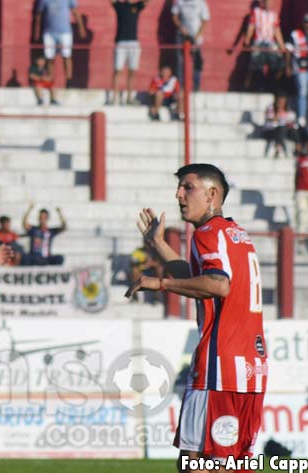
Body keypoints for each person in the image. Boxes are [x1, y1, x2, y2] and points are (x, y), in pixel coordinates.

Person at [126, 164, 267, 471]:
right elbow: (199, 278)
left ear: (212, 194)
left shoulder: (207, 233)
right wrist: (158, 244)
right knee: (230, 464)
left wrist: (160, 283)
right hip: (250, 368)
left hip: (219, 367)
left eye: (187, 187)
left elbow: (218, 284)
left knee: (196, 463)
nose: (178, 194)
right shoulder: (236, 235)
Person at [33, 0, 86, 86]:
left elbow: (75, 12)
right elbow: (38, 16)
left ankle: (69, 81)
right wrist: (36, 32)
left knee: (67, 56)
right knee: (50, 58)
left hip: (65, 32)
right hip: (49, 33)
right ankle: (51, 80)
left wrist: (81, 27)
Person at [111, 0, 149, 105]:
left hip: (133, 43)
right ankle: (114, 97)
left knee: (132, 71)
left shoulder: (136, 6)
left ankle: (129, 97)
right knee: (118, 70)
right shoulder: (119, 6)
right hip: (121, 42)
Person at [243, 0, 285, 91]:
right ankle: (253, 85)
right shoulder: (256, 12)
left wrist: (282, 46)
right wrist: (247, 39)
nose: (268, 4)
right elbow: (251, 26)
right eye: (266, 2)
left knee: (277, 62)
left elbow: (277, 30)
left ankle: (272, 85)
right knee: (255, 62)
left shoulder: (274, 14)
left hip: (270, 42)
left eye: (270, 2)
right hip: (258, 41)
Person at [170, 0, 209, 92]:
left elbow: (205, 20)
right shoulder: (179, 2)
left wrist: (197, 36)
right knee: (180, 62)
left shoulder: (200, 2)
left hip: (195, 37)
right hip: (182, 36)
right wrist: (181, 28)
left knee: (197, 62)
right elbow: (174, 16)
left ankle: (196, 85)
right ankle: (181, 86)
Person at [263, 92, 298, 159]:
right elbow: (272, 119)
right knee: (281, 129)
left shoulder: (288, 109)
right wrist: (278, 111)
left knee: (293, 130)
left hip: (283, 130)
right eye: (280, 101)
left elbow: (291, 120)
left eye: (283, 102)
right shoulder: (271, 108)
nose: (281, 103)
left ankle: (297, 148)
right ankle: (279, 148)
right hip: (271, 130)